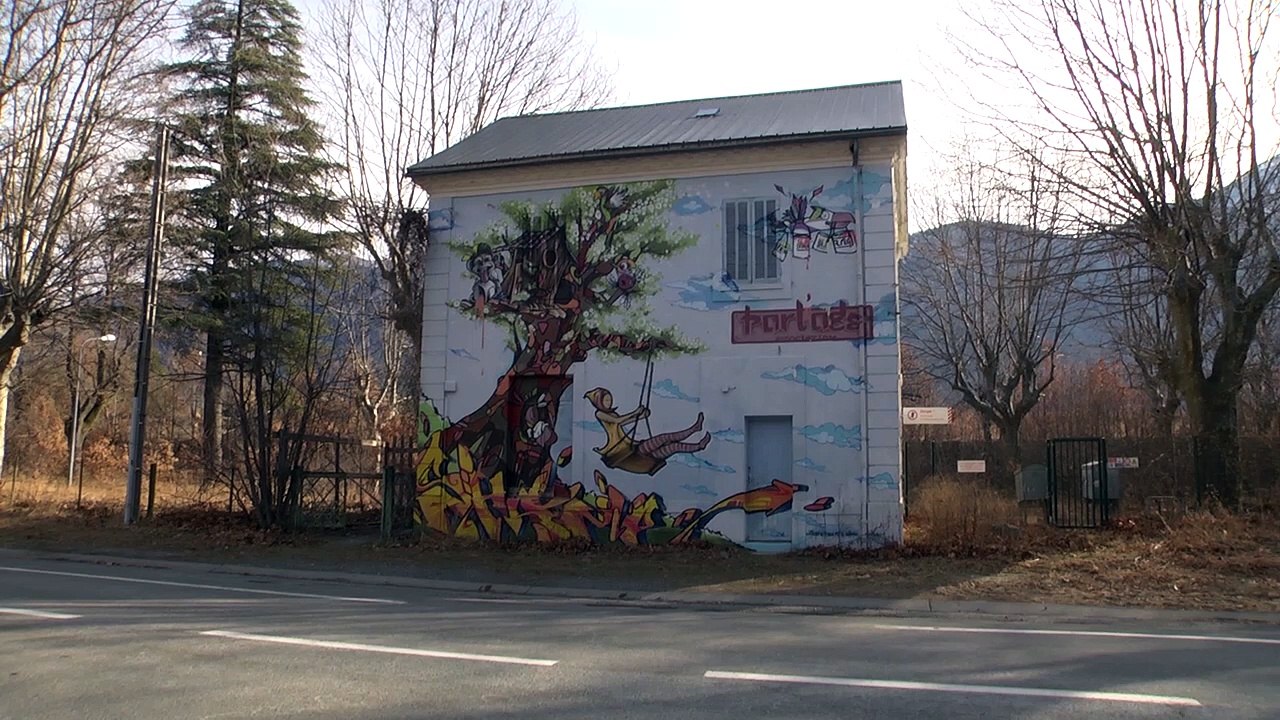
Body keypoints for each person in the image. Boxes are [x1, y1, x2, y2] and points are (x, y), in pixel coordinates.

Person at [583, 387, 711, 476]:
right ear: (599, 402)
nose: (609, 402)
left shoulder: (612, 413)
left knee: (666, 439)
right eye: (606, 400)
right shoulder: (600, 414)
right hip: (620, 450)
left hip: (632, 447)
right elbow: (618, 421)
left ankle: (694, 429)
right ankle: (699, 445)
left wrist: (640, 417)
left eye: (609, 399)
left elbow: (623, 423)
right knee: (672, 446)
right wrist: (635, 412)